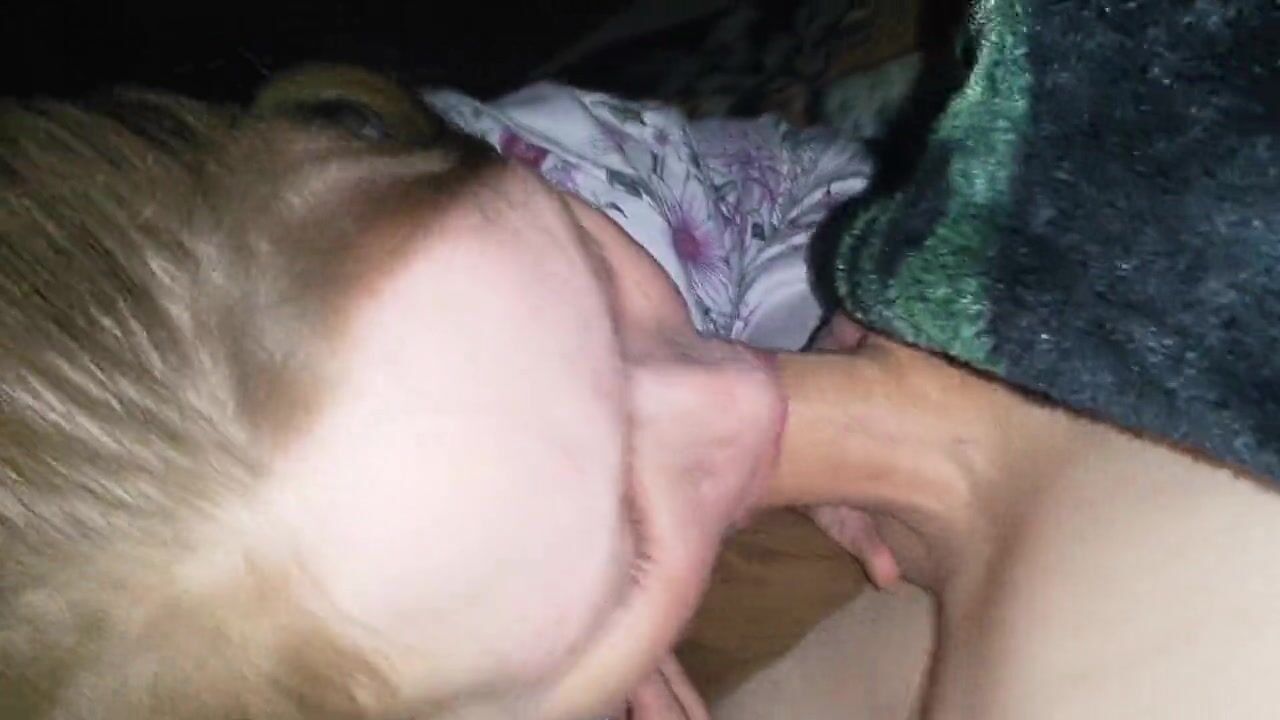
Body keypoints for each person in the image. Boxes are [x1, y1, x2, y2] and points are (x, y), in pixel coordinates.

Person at [0, 68, 890, 719]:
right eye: (630, 543)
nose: (741, 395)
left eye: (594, 281)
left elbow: (797, 179)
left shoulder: (524, 178)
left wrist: (821, 310)